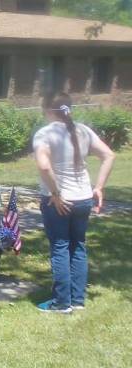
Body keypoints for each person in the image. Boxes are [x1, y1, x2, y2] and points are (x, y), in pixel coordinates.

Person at [33, 92, 115, 313]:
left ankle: (61, 303)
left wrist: (55, 193)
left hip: (60, 200)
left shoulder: (45, 133)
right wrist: (98, 187)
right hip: (83, 198)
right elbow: (109, 155)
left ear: (49, 111)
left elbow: (43, 165)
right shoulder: (83, 130)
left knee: (60, 247)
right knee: (78, 245)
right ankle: (77, 300)